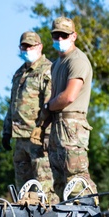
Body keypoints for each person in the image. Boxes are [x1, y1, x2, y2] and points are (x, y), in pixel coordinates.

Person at [44, 16, 95, 199]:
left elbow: (68, 96)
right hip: (58, 124)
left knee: (77, 181)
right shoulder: (57, 64)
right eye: (56, 35)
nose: (59, 40)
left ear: (73, 36)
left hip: (72, 125)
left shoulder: (77, 60)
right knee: (60, 184)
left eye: (64, 35)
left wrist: (48, 106)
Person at [1, 31, 53, 195]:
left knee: (44, 186)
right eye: (24, 46)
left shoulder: (47, 70)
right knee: (23, 189)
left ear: (40, 47)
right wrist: (6, 131)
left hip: (37, 137)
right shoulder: (19, 73)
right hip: (19, 138)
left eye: (31, 46)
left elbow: (50, 104)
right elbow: (13, 105)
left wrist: (46, 133)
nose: (27, 49)